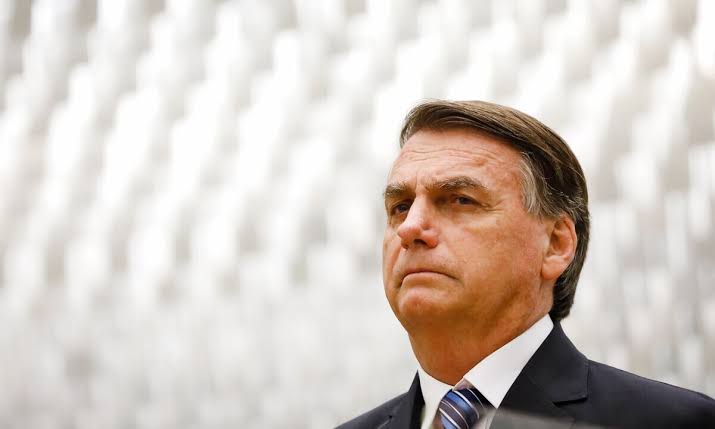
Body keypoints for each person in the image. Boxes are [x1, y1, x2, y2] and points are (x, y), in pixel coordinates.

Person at [337, 100, 715, 429]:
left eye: (460, 200)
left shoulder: (674, 422)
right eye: (400, 206)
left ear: (555, 245)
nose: (410, 227)